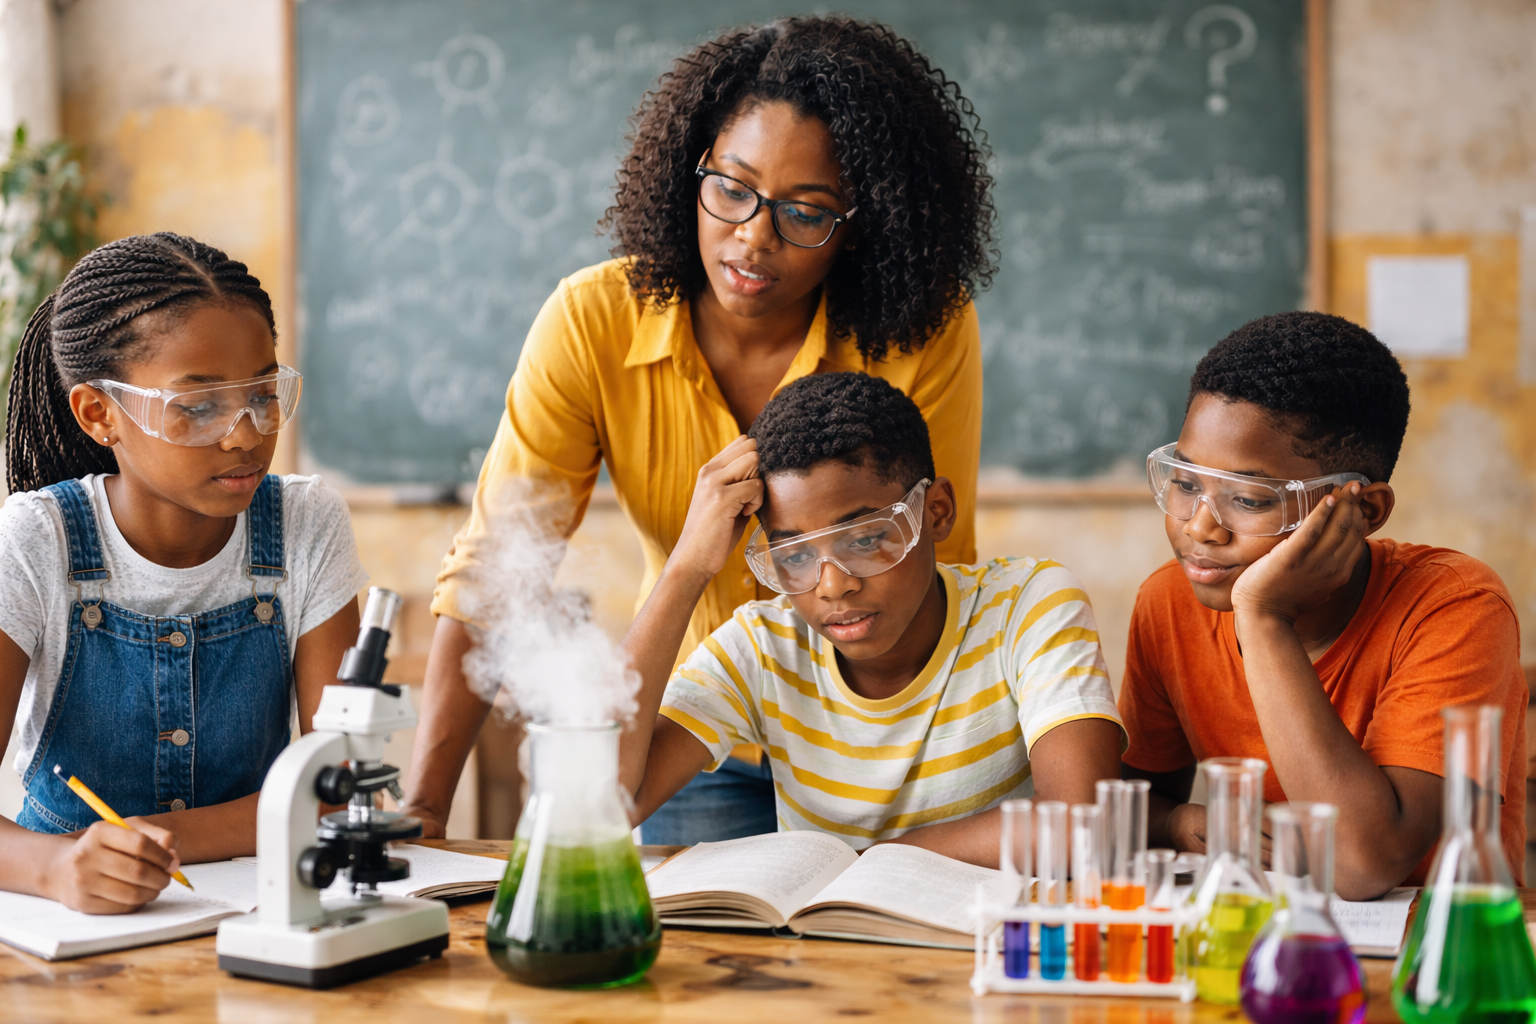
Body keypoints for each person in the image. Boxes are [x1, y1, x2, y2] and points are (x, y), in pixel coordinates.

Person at [408, 17, 996, 844]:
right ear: (692, 168)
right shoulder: (592, 322)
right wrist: (424, 811)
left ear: (864, 222)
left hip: (881, 739)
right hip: (697, 743)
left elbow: (938, 556)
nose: (753, 238)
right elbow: (499, 571)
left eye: (806, 211)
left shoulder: (921, 329)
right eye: (731, 188)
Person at [0, 233, 367, 913]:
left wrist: (148, 841)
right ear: (99, 414)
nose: (246, 434)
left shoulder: (305, 522)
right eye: (198, 408)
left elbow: (332, 786)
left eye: (263, 394)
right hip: (67, 918)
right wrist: (57, 867)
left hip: (252, 905)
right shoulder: (36, 539)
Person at [619, 373, 1124, 861]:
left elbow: (1082, 822)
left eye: (864, 540)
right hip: (826, 926)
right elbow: (601, 806)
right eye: (795, 556)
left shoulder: (1026, 605)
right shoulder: (764, 647)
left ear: (936, 511)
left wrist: (862, 862)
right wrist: (686, 568)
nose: (832, 585)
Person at [1119, 311, 1528, 900]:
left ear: (1364, 511)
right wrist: (1178, 823)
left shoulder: (1456, 606)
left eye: (1249, 499)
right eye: (1185, 483)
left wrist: (1264, 617)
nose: (1200, 527)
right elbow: (1130, 805)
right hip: (1272, 927)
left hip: (1446, 940)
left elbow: (1362, 864)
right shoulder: (1169, 602)